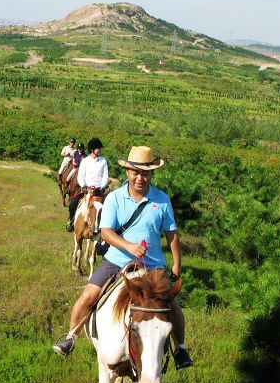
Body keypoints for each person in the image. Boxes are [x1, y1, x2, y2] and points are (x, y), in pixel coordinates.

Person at [54, 145, 193, 369]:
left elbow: (172, 235)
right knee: (89, 296)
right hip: (117, 260)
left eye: (145, 173)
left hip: (154, 265)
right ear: (128, 172)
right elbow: (107, 232)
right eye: (135, 172)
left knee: (173, 306)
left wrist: (177, 264)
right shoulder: (115, 198)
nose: (140, 177)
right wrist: (128, 246)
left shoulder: (162, 199)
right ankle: (71, 337)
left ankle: (181, 349)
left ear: (151, 174)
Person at [66, 137, 108, 232]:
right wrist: (84, 186)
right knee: (72, 204)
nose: (100, 150)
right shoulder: (85, 161)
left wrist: (101, 187)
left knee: (109, 207)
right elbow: (81, 176)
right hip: (86, 189)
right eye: (98, 148)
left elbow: (105, 176)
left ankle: (107, 228)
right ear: (92, 150)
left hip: (98, 190)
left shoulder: (103, 161)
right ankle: (72, 222)